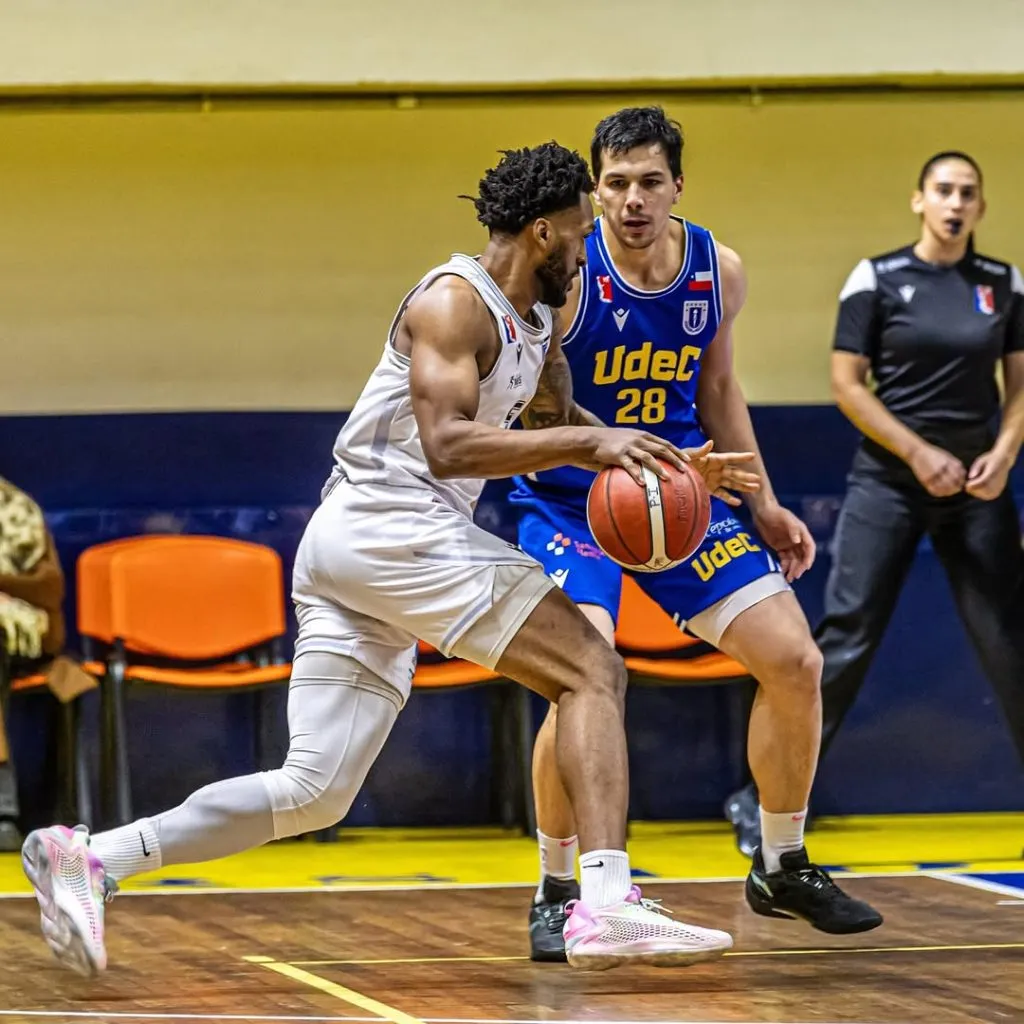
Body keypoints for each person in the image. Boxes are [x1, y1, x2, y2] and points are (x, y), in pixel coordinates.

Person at [22, 141, 756, 978]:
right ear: (543, 233)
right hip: (389, 525)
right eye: (583, 234)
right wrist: (594, 444)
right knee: (592, 668)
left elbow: (559, 418)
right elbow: (448, 445)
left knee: (314, 789)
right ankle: (606, 902)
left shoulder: (540, 322)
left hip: (370, 551)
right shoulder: (453, 303)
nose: (592, 251)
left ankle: (93, 858)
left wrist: (663, 464)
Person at [511, 107, 883, 962]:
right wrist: (644, 459)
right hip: (573, 500)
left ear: (678, 185)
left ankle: (781, 863)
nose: (633, 200)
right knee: (581, 674)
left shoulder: (718, 270)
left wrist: (766, 502)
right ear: (595, 190)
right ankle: (558, 888)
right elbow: (538, 412)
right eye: (616, 184)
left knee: (795, 660)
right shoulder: (566, 277)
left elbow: (718, 389)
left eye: (650, 182)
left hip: (685, 495)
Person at [724, 150, 1024, 854]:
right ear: (919, 200)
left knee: (1011, 642)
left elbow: (1019, 388)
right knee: (846, 637)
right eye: (943, 191)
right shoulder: (877, 278)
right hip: (889, 483)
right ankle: (760, 801)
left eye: (968, 193)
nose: (955, 203)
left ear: (981, 207)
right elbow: (847, 385)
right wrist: (917, 454)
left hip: (976, 487)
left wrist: (1005, 455)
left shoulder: (1003, 283)